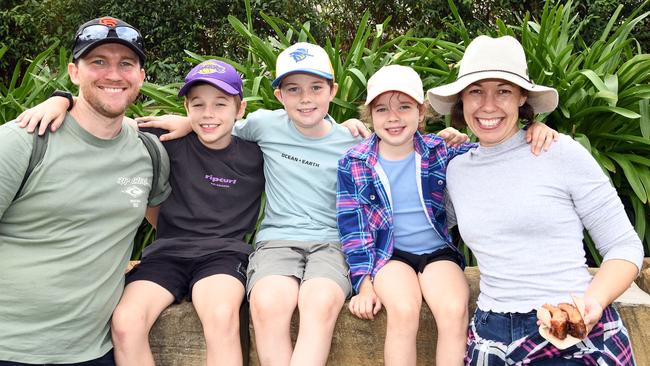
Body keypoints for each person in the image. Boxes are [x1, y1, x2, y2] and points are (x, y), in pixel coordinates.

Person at [427, 35, 643, 365]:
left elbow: (625, 246)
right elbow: (420, 228)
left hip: (574, 330)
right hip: (491, 335)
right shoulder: (454, 169)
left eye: (503, 90)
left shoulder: (560, 152)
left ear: (521, 97)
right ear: (461, 100)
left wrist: (593, 303)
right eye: (475, 91)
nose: (488, 105)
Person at [336, 65, 557, 366]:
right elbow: (354, 229)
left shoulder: (439, 150)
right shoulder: (355, 161)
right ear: (370, 115)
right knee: (403, 310)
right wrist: (364, 284)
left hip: (437, 251)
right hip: (390, 256)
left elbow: (490, 151)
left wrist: (533, 129)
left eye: (404, 107)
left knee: (454, 309)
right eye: (382, 109)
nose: (393, 117)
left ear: (421, 112)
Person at [0, 16, 170, 365]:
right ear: (74, 72)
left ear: (141, 76)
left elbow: (168, 227)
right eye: (97, 62)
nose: (113, 74)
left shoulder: (149, 152)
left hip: (92, 351)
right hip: (10, 347)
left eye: (126, 63)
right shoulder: (23, 140)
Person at [108, 60, 264, 366]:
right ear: (186, 107)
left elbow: (305, 132)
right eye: (198, 105)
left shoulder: (257, 152)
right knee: (126, 322)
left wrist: (347, 126)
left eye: (220, 104)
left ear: (240, 109)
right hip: (167, 253)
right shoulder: (166, 140)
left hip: (224, 254)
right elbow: (104, 118)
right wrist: (62, 101)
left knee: (221, 317)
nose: (208, 114)